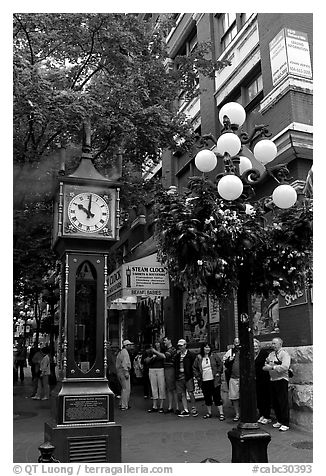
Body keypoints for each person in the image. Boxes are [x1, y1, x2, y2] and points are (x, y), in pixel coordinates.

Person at [263, 337, 291, 431]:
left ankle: (285, 423)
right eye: (272, 343)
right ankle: (279, 420)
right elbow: (266, 363)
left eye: (275, 343)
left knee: (282, 401)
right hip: (273, 379)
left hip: (281, 379)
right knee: (275, 402)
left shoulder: (284, 354)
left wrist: (273, 367)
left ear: (280, 344)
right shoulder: (271, 354)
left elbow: (285, 366)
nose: (273, 345)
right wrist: (267, 367)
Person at [193, 342, 225, 420]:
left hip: (214, 380)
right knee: (207, 396)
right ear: (203, 348)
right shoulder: (199, 357)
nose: (207, 349)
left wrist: (218, 372)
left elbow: (220, 364)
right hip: (204, 379)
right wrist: (198, 377)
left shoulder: (214, 356)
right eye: (206, 347)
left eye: (208, 347)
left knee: (217, 396)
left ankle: (221, 413)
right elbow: (194, 367)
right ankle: (209, 412)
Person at [153, 337, 179, 414]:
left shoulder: (172, 349)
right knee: (169, 389)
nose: (164, 342)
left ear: (170, 340)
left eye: (165, 340)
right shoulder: (166, 349)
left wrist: (155, 351)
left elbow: (165, 356)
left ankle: (176, 407)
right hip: (166, 369)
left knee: (173, 388)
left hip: (170, 369)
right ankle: (170, 406)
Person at [174, 338, 198, 417]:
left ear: (185, 345)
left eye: (181, 346)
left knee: (190, 392)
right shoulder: (177, 356)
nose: (180, 347)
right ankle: (185, 409)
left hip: (188, 376)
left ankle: (193, 408)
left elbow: (194, 365)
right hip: (179, 376)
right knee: (182, 393)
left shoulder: (191, 355)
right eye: (179, 346)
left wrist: (194, 374)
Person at [254, 338, 272, 424]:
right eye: (253, 346)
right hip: (256, 379)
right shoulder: (252, 355)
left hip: (264, 378)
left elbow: (267, 364)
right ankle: (262, 414)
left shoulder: (264, 353)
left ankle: (267, 416)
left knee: (265, 397)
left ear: (259, 346)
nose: (255, 348)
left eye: (256, 346)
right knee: (259, 398)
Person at [145, 342, 166, 413]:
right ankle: (154, 406)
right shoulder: (150, 351)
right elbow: (146, 360)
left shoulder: (163, 350)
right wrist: (151, 357)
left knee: (161, 386)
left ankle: (161, 406)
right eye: (156, 342)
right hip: (152, 369)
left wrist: (155, 352)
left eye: (158, 342)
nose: (157, 344)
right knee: (153, 387)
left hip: (160, 369)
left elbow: (163, 356)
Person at [223, 337, 240, 421]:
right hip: (233, 377)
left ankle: (245, 413)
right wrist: (229, 360)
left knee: (244, 397)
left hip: (243, 378)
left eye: (238, 342)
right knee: (234, 397)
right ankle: (237, 414)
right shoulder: (230, 352)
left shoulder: (245, 350)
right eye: (236, 342)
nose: (237, 344)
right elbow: (224, 363)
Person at [116, 339, 133, 411]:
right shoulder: (125, 353)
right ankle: (124, 405)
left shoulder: (121, 352)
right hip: (123, 372)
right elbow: (125, 363)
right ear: (126, 346)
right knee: (126, 389)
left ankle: (121, 404)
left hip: (119, 372)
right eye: (130, 345)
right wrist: (126, 372)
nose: (131, 346)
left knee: (123, 389)